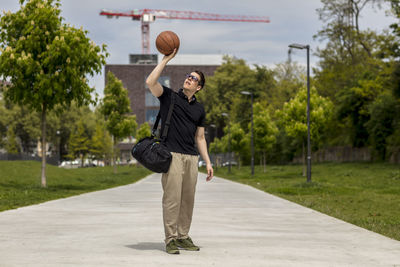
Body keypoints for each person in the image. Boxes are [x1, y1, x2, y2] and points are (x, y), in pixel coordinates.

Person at [145, 49, 214, 255]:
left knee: (188, 199)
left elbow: (200, 137)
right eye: (188, 76)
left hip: (191, 158)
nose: (189, 79)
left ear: (199, 87)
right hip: (172, 155)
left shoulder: (199, 109)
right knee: (172, 198)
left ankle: (183, 236)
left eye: (193, 79)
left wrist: (208, 162)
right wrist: (165, 60)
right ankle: (171, 239)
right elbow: (150, 82)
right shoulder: (169, 97)